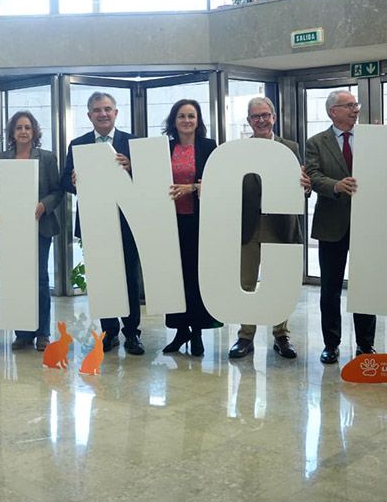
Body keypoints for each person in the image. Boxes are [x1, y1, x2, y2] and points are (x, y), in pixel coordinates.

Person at [61, 92, 144, 355]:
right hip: (94, 222)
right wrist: (74, 179)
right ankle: (109, 332)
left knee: (129, 278)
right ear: (89, 115)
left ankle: (132, 333)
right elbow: (63, 181)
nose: (103, 114)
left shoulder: (132, 143)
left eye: (107, 109)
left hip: (127, 222)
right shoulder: (78, 144)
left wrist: (131, 167)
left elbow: (147, 179)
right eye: (97, 110)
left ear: (116, 113)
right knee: (102, 278)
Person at [228, 97, 310, 360]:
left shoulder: (291, 147)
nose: (261, 121)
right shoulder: (240, 149)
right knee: (246, 282)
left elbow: (299, 187)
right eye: (255, 117)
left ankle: (281, 335)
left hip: (280, 225)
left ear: (274, 116)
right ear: (249, 121)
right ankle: (245, 337)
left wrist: (305, 187)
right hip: (248, 224)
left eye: (265, 115)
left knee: (280, 282)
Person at [305, 90, 376, 364]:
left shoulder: (371, 140)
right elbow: (312, 175)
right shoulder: (316, 143)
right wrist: (335, 186)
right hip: (331, 224)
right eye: (349, 106)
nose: (355, 110)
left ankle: (365, 345)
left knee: (365, 287)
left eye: (355, 104)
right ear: (332, 111)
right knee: (330, 288)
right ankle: (331, 344)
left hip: (366, 223)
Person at [0, 111, 63, 351]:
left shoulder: (46, 158)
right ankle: (23, 333)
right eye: (19, 128)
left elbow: (58, 191)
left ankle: (43, 333)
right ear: (12, 132)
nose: (23, 131)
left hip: (39, 227)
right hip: (12, 228)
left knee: (40, 280)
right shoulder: (0, 158)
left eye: (28, 128)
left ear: (35, 132)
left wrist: (44, 204)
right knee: (17, 280)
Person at [161, 99, 219, 357]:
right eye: (182, 116)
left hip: (199, 221)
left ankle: (197, 332)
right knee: (174, 277)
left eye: (191, 116)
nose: (187, 120)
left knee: (197, 277)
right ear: (174, 121)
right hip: (170, 222)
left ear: (198, 121)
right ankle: (179, 330)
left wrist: (192, 188)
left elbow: (217, 182)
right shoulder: (165, 148)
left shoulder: (208, 147)